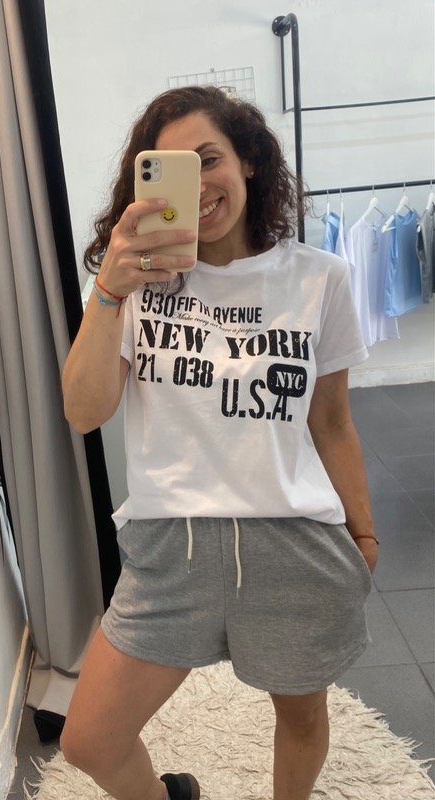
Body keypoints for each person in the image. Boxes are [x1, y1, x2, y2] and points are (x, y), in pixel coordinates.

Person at [60, 86, 379, 800]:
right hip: (171, 548)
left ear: (249, 161)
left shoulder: (320, 280)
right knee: (89, 740)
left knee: (301, 716)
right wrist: (108, 291)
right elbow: (83, 411)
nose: (198, 186)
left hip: (293, 541)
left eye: (208, 159)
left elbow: (331, 422)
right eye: (171, 171)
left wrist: (363, 534)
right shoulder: (135, 284)